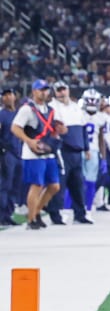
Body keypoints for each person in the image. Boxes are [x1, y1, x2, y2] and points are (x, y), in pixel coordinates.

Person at [10, 79, 66, 230]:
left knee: (54, 186)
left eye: (46, 90)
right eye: (41, 90)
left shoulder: (50, 109)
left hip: (48, 151)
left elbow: (50, 129)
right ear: (34, 91)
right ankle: (31, 219)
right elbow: (15, 127)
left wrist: (59, 130)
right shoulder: (27, 109)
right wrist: (28, 141)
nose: (44, 92)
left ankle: (36, 211)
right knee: (37, 185)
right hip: (33, 153)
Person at [47, 81, 93, 224]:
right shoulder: (52, 108)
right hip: (62, 150)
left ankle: (80, 214)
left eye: (63, 89)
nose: (61, 93)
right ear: (55, 92)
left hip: (76, 151)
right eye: (58, 90)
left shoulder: (75, 107)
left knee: (78, 185)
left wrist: (86, 148)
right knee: (60, 184)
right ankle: (55, 215)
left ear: (68, 90)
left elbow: (83, 129)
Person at [0, 87, 21, 226]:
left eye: (10, 94)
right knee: (5, 185)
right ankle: (2, 215)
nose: (8, 97)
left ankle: (9, 213)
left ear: (15, 96)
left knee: (15, 185)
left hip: (19, 152)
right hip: (6, 152)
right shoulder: (2, 114)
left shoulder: (19, 113)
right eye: (5, 95)